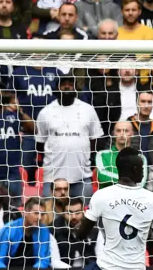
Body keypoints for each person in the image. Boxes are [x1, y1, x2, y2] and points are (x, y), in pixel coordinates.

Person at [36, 74, 104, 204]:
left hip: (82, 176)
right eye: (63, 83)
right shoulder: (46, 112)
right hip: (52, 178)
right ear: (57, 87)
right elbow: (40, 144)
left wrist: (91, 162)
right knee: (50, 219)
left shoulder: (88, 110)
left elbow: (96, 139)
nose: (67, 86)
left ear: (75, 87)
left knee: (84, 218)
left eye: (70, 83)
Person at [0, 81, 34, 207]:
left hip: (12, 174)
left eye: (0, 92)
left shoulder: (13, 113)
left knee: (14, 211)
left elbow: (33, 129)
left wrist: (20, 110)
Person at [0, 197, 52, 270]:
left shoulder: (44, 231)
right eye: (36, 213)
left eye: (42, 214)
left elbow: (43, 261)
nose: (39, 217)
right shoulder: (8, 230)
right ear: (25, 212)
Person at [96, 121, 149, 189]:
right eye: (118, 130)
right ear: (114, 133)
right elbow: (102, 177)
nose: (122, 134)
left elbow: (142, 183)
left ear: (132, 134)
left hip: (131, 198)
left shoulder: (141, 158)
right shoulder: (102, 155)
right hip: (108, 197)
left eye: (126, 131)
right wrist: (130, 180)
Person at [53, 197, 99, 268]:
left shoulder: (94, 229)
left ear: (84, 212)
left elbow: (101, 256)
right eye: (69, 213)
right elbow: (54, 261)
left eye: (77, 212)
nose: (74, 217)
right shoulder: (54, 229)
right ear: (63, 213)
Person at [128, 90, 153, 166]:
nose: (146, 106)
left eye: (149, 102)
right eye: (143, 101)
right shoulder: (126, 125)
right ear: (137, 103)